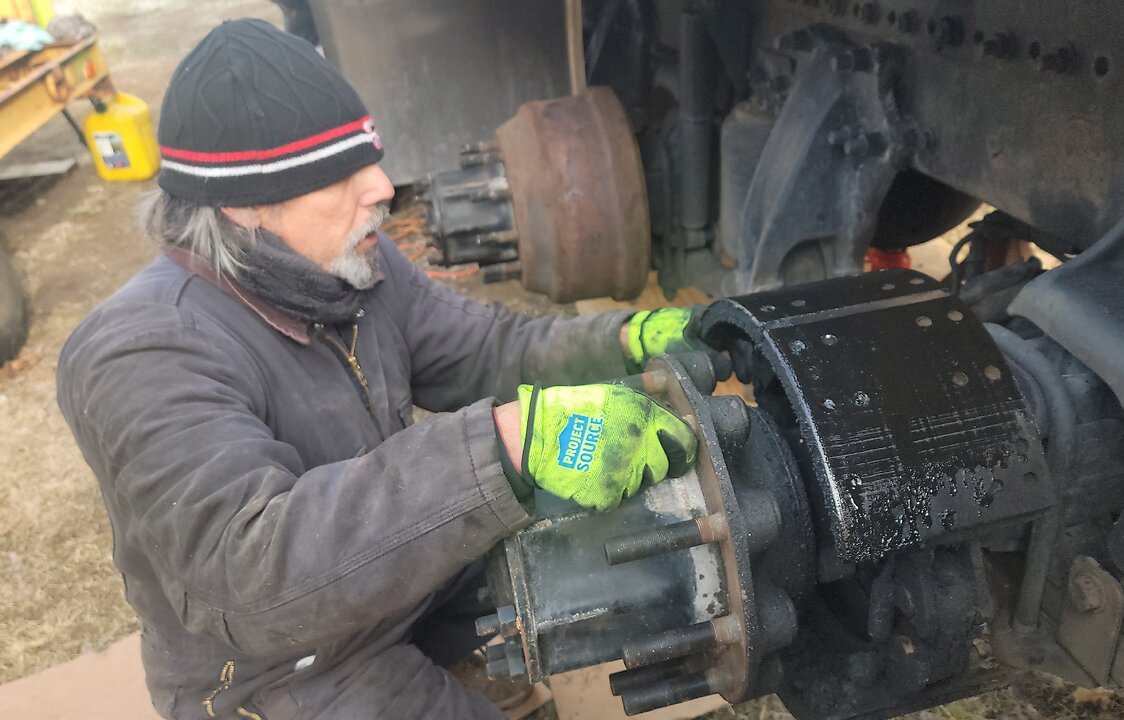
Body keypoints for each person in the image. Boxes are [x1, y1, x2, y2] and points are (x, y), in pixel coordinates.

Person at [56, 19, 722, 720]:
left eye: (368, 158)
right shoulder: (143, 351)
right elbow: (254, 574)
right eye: (340, 174)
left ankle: (446, 655)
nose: (381, 185)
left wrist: (629, 342)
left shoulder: (348, 267)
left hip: (395, 586)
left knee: (601, 534)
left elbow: (488, 351)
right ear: (247, 202)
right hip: (280, 666)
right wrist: (505, 447)